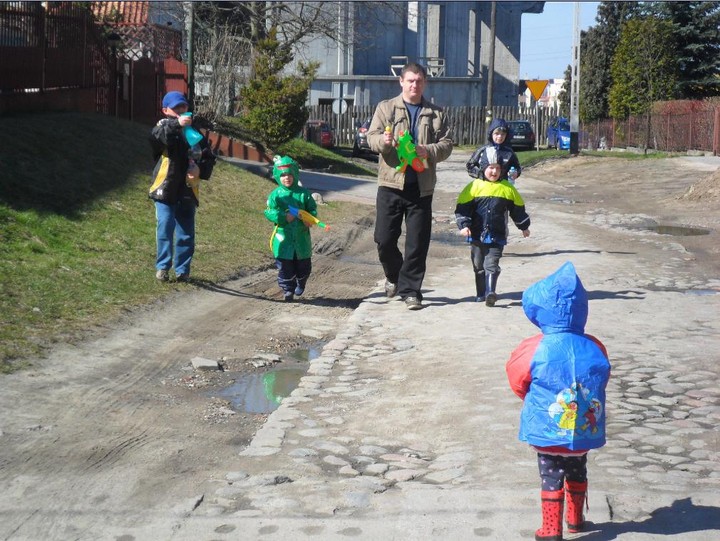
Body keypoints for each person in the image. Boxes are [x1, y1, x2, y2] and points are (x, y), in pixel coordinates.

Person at [505, 261, 611, 541]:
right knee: (577, 468)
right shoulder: (595, 345)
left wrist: (531, 400)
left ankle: (551, 530)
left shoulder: (534, 346)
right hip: (583, 431)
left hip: (548, 430)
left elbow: (517, 379)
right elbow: (601, 381)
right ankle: (575, 519)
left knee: (551, 474)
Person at [366, 62, 453, 310]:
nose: (415, 85)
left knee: (417, 242)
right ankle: (394, 276)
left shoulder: (436, 113)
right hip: (390, 183)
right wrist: (383, 142)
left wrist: (428, 150)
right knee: (383, 239)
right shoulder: (386, 108)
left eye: (419, 81)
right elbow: (371, 137)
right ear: (401, 82)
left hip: (421, 188)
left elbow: (447, 145)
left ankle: (411, 291)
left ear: (424, 83)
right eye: (411, 80)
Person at [149, 91, 215, 282]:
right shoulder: (162, 126)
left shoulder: (195, 133)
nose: (181, 110)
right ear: (165, 110)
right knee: (165, 226)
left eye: (183, 107)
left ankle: (183, 271)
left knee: (186, 233)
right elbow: (157, 140)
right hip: (165, 187)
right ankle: (162, 268)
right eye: (176, 107)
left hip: (187, 189)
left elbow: (208, 156)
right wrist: (177, 124)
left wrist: (200, 171)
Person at [454, 159, 530, 306]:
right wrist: (464, 225)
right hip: (476, 234)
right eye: (491, 168)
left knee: (492, 263)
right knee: (478, 265)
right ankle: (481, 293)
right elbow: (463, 208)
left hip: (497, 234)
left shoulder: (507, 188)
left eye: (497, 168)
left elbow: (518, 209)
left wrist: (524, 226)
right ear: (483, 168)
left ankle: (490, 292)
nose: (494, 172)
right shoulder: (473, 187)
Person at [264, 155, 317, 302]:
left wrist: (309, 219)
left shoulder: (304, 194)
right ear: (277, 176)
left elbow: (312, 209)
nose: (286, 178)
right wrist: (283, 217)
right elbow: (269, 212)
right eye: (283, 176)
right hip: (283, 240)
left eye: (289, 175)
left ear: (294, 174)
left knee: (304, 267)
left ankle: (302, 280)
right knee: (285, 268)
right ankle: (288, 290)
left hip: (301, 239)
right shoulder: (275, 195)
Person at [466, 118, 521, 183]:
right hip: (484, 185)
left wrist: (515, 173)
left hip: (502, 186)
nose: (500, 136)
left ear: (506, 135)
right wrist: (481, 175)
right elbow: (470, 166)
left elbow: (517, 167)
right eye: (497, 134)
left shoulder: (509, 152)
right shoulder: (483, 150)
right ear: (491, 134)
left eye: (503, 134)